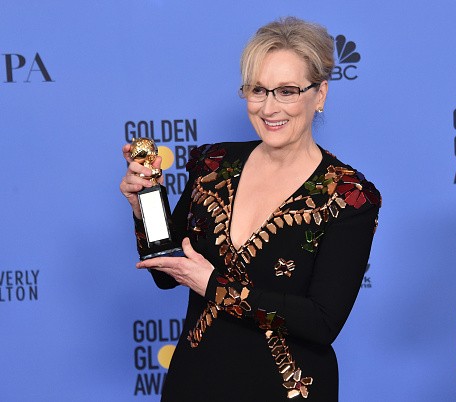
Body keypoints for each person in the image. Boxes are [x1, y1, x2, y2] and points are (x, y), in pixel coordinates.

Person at [120, 16, 381, 401]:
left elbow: (322, 321)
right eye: (258, 90)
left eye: (287, 91)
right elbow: (167, 269)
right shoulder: (213, 164)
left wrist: (214, 286)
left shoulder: (348, 195)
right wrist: (145, 204)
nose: (269, 107)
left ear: (320, 94)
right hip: (195, 383)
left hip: (286, 390)